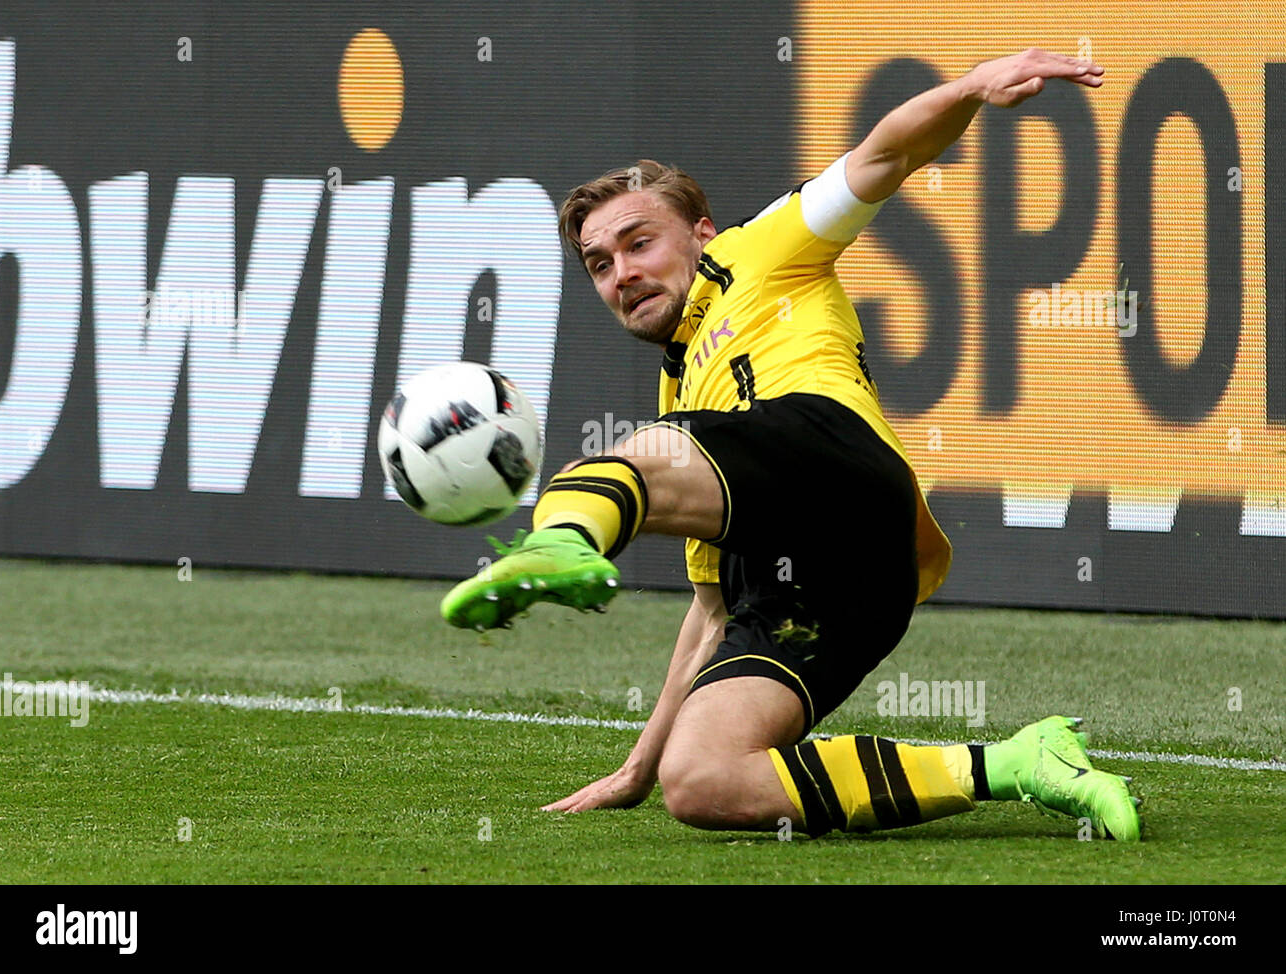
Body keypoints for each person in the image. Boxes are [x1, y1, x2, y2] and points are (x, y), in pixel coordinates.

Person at [441, 49, 1141, 840]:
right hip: (837, 594)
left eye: (640, 243)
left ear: (701, 232)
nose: (621, 274)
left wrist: (975, 88)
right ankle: (1016, 762)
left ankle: (561, 540)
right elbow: (710, 610)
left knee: (618, 462)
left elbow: (887, 151)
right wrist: (641, 767)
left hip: (836, 465)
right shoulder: (679, 398)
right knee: (702, 780)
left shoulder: (756, 250)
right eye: (600, 264)